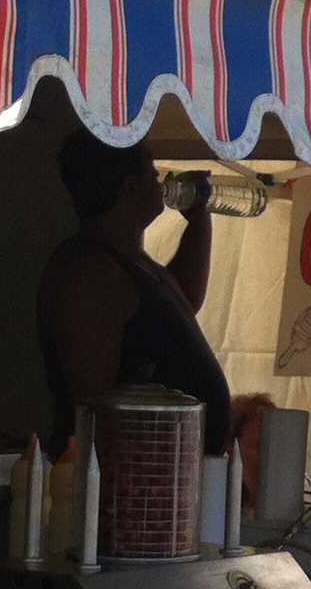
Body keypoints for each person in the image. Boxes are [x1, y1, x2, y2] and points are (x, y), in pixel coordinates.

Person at [36, 131, 231, 458]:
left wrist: (199, 216)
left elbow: (186, 299)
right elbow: (94, 406)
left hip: (163, 484)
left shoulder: (131, 260)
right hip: (130, 489)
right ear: (130, 186)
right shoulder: (88, 272)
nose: (161, 182)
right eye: (153, 172)